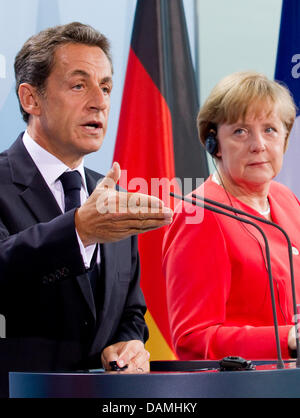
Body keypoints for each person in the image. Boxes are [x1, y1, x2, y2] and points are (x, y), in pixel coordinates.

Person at [0, 22, 173, 397]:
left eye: (106, 86)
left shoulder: (109, 194)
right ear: (31, 99)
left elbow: (130, 309)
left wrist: (129, 345)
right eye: (79, 85)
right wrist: (79, 230)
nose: (100, 100)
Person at [162, 71, 300, 361]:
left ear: (285, 139)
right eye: (240, 131)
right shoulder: (199, 214)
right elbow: (193, 340)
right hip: (244, 388)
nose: (258, 144)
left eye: (270, 130)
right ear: (214, 144)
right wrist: (287, 339)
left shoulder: (286, 200)